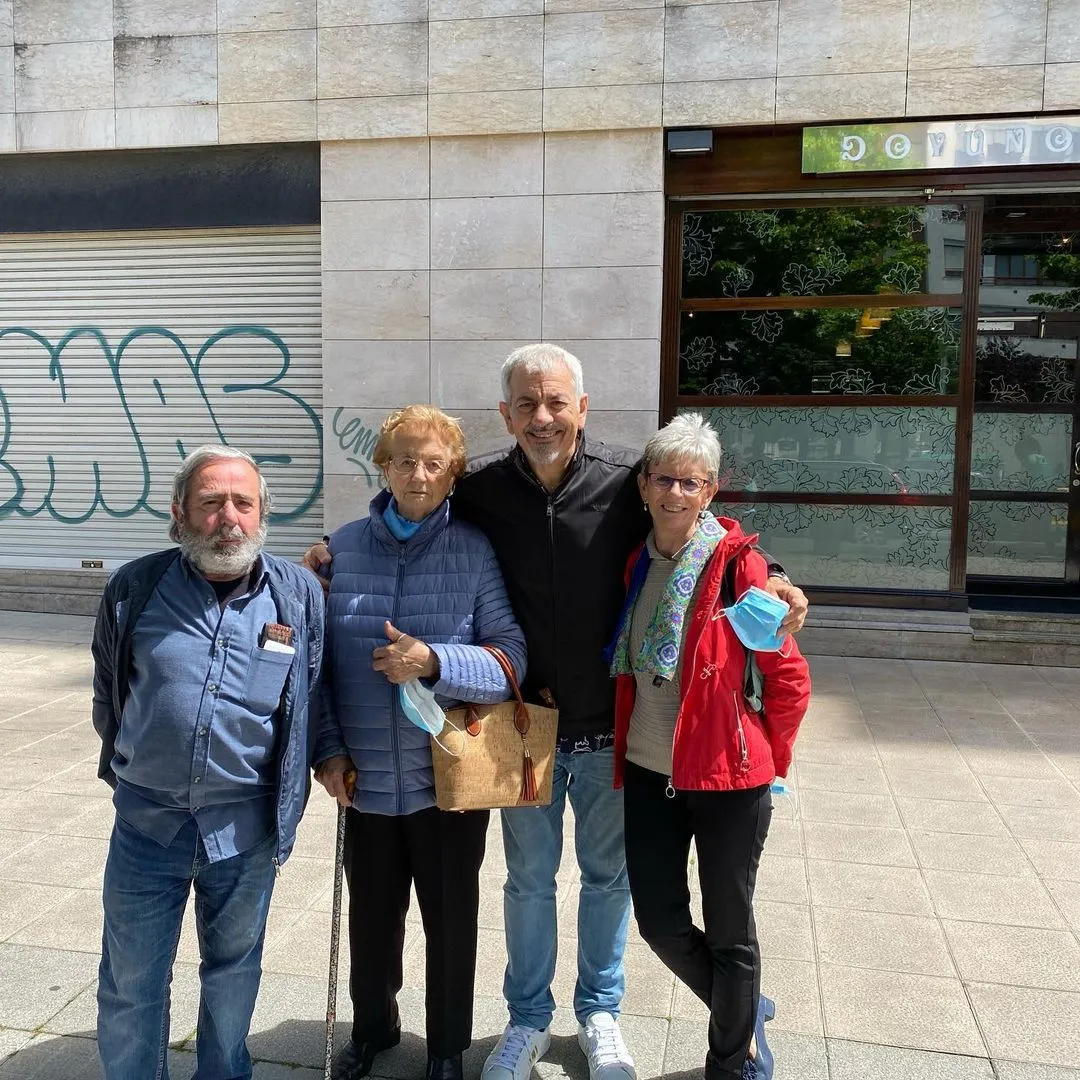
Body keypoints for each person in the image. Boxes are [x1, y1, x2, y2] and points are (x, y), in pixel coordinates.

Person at [305, 345, 808, 1080]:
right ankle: (527, 1018)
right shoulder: (479, 490)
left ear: (582, 407)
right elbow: (414, 503)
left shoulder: (625, 483)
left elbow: (701, 525)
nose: (543, 418)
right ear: (506, 414)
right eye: (526, 405)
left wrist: (782, 578)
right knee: (528, 882)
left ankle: (599, 1012)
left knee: (608, 882)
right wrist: (334, 550)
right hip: (521, 728)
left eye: (556, 403)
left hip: (614, 733)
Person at [91, 444, 325, 1080]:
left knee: (232, 973)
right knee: (131, 980)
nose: (229, 517)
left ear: (262, 513)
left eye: (243, 503)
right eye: (211, 502)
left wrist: (331, 763)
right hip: (146, 828)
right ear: (179, 514)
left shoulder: (298, 593)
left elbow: (312, 695)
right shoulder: (133, 588)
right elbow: (109, 693)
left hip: (244, 832)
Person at [310, 405, 527, 1080]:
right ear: (382, 465)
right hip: (367, 778)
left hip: (450, 782)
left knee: (451, 923)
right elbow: (315, 669)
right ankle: (373, 1028)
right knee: (371, 921)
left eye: (434, 462)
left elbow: (510, 661)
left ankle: (445, 1050)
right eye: (404, 459)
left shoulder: (475, 549)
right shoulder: (340, 550)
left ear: (453, 473)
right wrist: (329, 752)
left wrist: (434, 660)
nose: (418, 474)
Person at [610, 414, 811, 1080]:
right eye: (663, 478)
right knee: (660, 923)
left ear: (710, 490)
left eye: (689, 482)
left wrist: (769, 761)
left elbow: (787, 678)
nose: (674, 493)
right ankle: (745, 1009)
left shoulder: (739, 566)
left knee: (730, 932)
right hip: (647, 770)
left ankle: (733, 1061)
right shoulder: (637, 560)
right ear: (643, 485)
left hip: (729, 779)